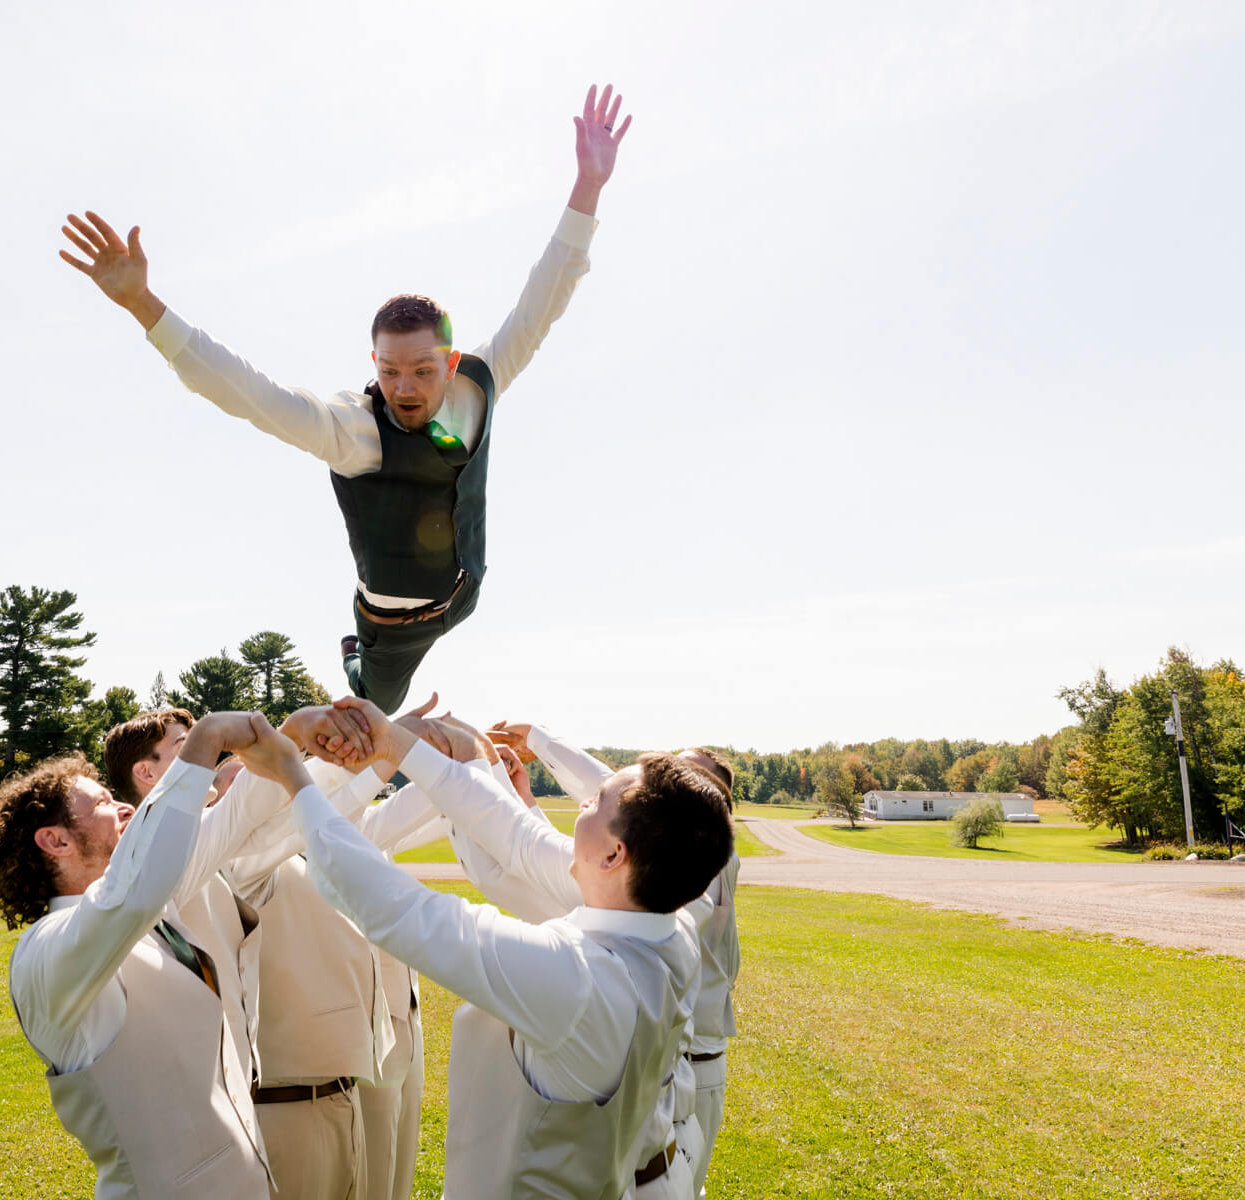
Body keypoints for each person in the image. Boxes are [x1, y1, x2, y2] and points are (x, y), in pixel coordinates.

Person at [57, 83, 632, 713]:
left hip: (465, 594)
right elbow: (249, 393)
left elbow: (544, 298)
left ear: (450, 360)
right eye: (389, 371)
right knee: (375, 706)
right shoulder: (353, 431)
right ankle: (354, 659)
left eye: (420, 370)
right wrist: (143, 303)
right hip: (392, 629)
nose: (404, 388)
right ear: (374, 363)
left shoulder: (478, 384)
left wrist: (589, 187)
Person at [236, 697, 733, 1199]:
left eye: (596, 801)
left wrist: (294, 779)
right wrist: (401, 743)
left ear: (612, 855)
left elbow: (401, 911)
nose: (582, 806)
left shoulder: (576, 978)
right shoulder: (669, 927)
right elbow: (516, 836)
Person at [0, 706, 366, 1200]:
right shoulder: (47, 951)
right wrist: (205, 740)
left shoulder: (154, 908)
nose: (124, 809)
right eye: (101, 804)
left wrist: (287, 736)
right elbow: (132, 889)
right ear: (55, 840)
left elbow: (232, 817)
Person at [104, 706, 395, 1200]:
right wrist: (292, 735)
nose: (211, 760)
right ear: (146, 773)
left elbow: (284, 813)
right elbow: (249, 811)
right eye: (187, 747)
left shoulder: (199, 842)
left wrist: (377, 751)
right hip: (216, 1126)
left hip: (248, 1106)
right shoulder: (148, 858)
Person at [492, 722, 742, 1200]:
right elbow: (588, 856)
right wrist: (524, 796)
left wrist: (541, 742)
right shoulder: (674, 859)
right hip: (661, 1063)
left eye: (687, 775)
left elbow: (616, 801)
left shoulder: (705, 861)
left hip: (695, 1069)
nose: (670, 780)